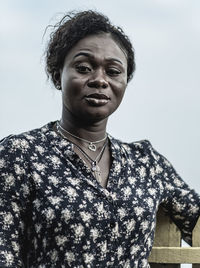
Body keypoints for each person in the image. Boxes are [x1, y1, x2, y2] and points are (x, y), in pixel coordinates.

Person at [0, 10, 199, 268]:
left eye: (113, 71)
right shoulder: (20, 155)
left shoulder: (146, 163)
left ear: (125, 81)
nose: (99, 80)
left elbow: (194, 217)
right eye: (84, 68)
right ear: (57, 74)